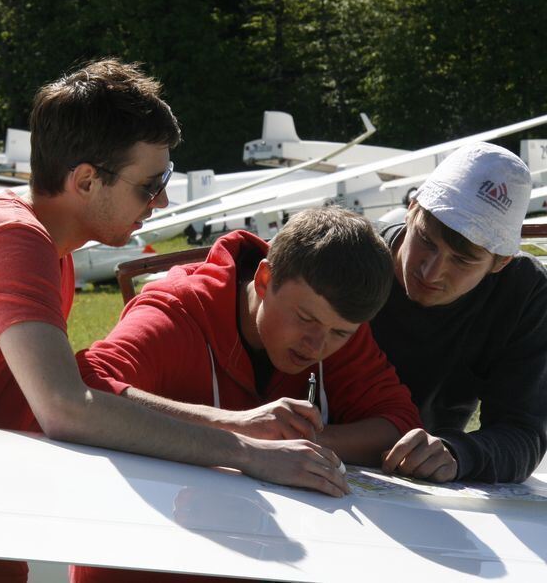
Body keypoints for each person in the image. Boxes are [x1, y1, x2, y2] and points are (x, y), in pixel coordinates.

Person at [0, 60, 348, 583]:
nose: (160, 200)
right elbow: (67, 409)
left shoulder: (49, 248)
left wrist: (233, 422)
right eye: (149, 184)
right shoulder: (12, 240)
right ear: (87, 180)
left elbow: (73, 391)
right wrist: (246, 454)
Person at [70, 207, 423, 583]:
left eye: (341, 334)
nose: (317, 345)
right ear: (265, 277)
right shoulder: (176, 310)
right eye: (305, 319)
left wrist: (299, 442)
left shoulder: (332, 323)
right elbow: (82, 390)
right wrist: (238, 429)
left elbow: (398, 422)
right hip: (144, 564)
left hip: (272, 563)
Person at [374, 143, 547, 483]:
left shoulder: (524, 295)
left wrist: (457, 453)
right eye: (425, 240)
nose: (431, 271)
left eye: (462, 260)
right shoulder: (352, 258)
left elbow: (524, 433)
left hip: (415, 492)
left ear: (501, 262)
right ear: (411, 209)